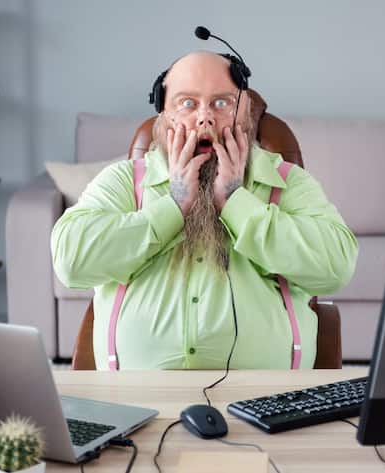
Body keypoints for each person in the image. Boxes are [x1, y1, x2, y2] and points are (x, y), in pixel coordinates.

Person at [51, 51, 358, 370]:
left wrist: (237, 203)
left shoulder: (288, 182)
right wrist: (171, 208)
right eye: (187, 103)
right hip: (135, 400)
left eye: (222, 102)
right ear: (164, 115)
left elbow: (336, 268)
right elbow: (71, 262)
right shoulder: (124, 180)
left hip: (268, 402)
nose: (204, 118)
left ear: (245, 113)